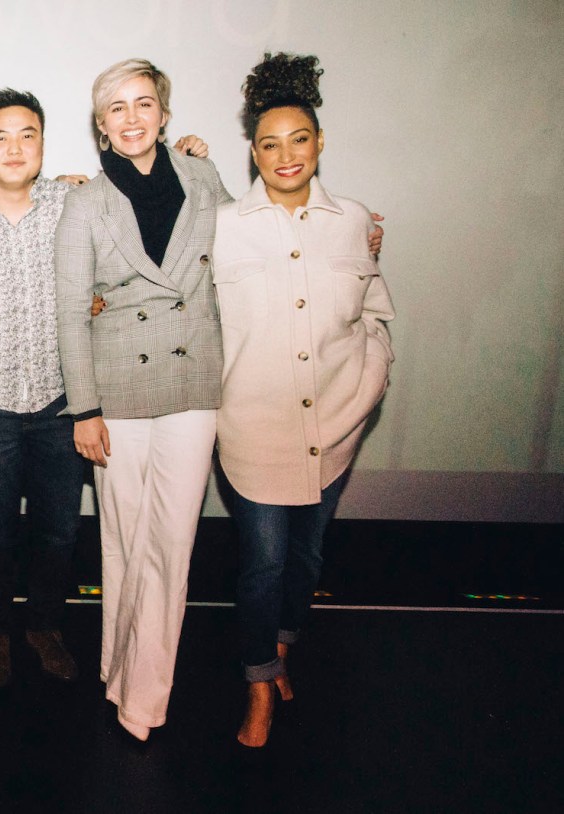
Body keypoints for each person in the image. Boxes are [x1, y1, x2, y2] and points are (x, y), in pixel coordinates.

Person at [0, 88, 207, 688]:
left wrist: (187, 158)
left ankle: (46, 627)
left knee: (59, 530)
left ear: (43, 144)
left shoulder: (78, 204)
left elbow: (150, 237)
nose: (13, 147)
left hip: (65, 404)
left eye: (26, 134)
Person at [214, 53, 394, 747]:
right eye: (269, 143)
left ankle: (283, 650)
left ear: (319, 144)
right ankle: (258, 684)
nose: (285, 155)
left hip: (337, 423)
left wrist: (372, 376)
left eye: (299, 139)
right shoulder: (223, 227)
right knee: (262, 562)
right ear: (253, 153)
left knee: (308, 559)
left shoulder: (353, 221)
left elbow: (373, 310)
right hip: (254, 428)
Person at [54, 58, 232, 743]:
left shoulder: (205, 178)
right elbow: (72, 312)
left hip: (193, 382)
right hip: (117, 392)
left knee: (171, 543)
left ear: (163, 112)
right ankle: (115, 665)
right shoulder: (84, 203)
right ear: (101, 127)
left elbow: (244, 252)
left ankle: (144, 698)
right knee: (124, 540)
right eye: (116, 109)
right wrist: (84, 408)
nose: (132, 117)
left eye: (143, 103)